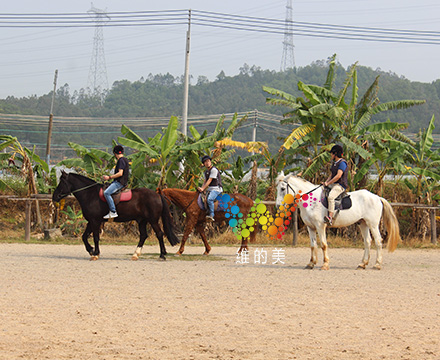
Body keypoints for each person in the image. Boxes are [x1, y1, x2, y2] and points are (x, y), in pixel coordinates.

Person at [102, 145, 130, 219]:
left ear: (115, 153)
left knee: (106, 193)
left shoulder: (120, 160)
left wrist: (109, 177)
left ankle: (113, 211)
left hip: (119, 183)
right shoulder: (125, 160)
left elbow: (120, 173)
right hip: (122, 182)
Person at [323, 144, 348, 225]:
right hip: (333, 184)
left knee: (331, 197)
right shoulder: (335, 163)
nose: (331, 155)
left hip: (340, 185)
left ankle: (330, 217)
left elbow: (338, 176)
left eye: (332, 153)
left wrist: (328, 183)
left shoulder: (342, 163)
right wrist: (325, 182)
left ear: (335, 154)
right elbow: (331, 175)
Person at [197, 155, 223, 222]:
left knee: (209, 199)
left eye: (208, 161)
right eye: (205, 162)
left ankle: (211, 215)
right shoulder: (206, 172)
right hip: (210, 189)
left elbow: (209, 180)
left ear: (210, 162)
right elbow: (205, 181)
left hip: (217, 189)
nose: (207, 163)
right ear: (204, 164)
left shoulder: (214, 170)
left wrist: (203, 188)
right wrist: (202, 188)